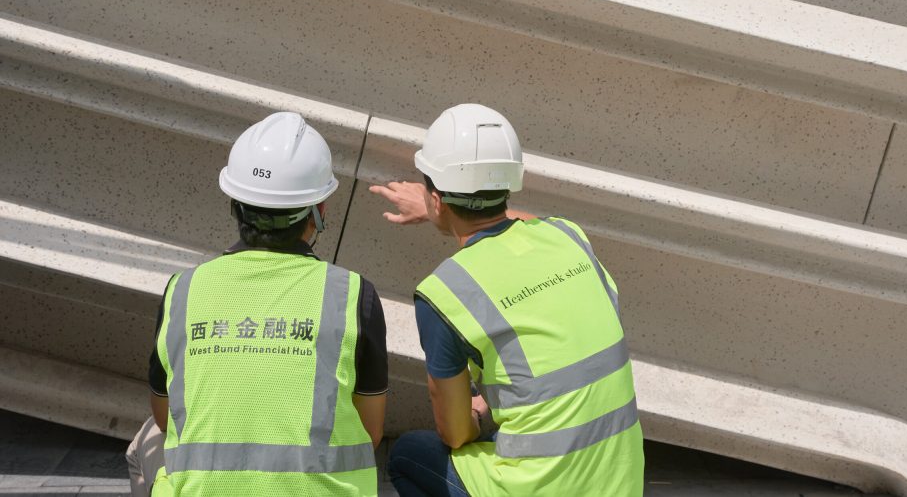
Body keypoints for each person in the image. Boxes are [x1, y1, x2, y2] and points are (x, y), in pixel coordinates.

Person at [371, 104, 643, 496]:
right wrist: (440, 207)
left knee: (410, 454)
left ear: (435, 198)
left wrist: (480, 415)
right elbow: (525, 222)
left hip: (536, 490)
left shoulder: (443, 293)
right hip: (620, 485)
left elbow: (455, 434)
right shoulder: (569, 238)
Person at [126, 111, 388, 496]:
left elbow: (166, 417)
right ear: (319, 210)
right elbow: (371, 431)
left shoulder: (183, 290)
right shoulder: (351, 295)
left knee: (145, 440)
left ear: (235, 204)